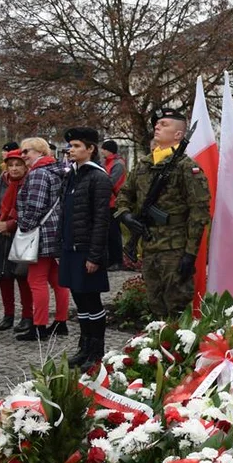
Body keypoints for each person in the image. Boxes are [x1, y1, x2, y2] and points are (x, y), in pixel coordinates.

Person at [115, 107, 210, 319]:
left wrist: (190, 253)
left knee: (177, 310)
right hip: (150, 245)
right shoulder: (144, 165)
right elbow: (124, 195)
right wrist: (126, 216)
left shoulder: (187, 168)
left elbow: (199, 212)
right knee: (155, 306)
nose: (157, 127)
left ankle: (177, 350)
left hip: (175, 249)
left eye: (164, 124)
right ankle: (156, 347)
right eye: (157, 124)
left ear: (178, 135)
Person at [59, 127, 112, 368]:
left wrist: (94, 255)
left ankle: (96, 351)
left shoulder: (98, 177)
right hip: (71, 247)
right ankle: (84, 347)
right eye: (70, 145)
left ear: (90, 149)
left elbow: (102, 220)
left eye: (77, 145)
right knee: (79, 299)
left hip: (87, 249)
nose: (71, 149)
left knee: (92, 301)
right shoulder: (72, 175)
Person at [15, 137, 69, 341]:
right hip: (55, 231)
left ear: (39, 152)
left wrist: (24, 227)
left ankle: (39, 327)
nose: (23, 156)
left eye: (26, 151)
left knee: (36, 281)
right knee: (57, 279)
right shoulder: (57, 171)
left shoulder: (38, 173)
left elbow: (35, 207)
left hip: (41, 234)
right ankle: (61, 322)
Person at [0, 149, 33, 334]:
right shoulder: (1, 181)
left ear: (25, 166)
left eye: (18, 165)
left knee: (22, 276)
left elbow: (30, 209)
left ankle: (27, 316)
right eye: (11, 165)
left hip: (20, 235)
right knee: (4, 276)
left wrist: (11, 224)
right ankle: (8, 314)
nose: (14, 169)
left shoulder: (29, 182)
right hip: (0, 235)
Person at [100, 140, 126, 270]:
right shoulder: (107, 163)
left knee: (114, 233)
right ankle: (111, 260)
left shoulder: (117, 164)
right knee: (108, 233)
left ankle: (117, 261)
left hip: (114, 203)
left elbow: (111, 182)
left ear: (108, 150)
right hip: (107, 202)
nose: (101, 151)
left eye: (103, 149)